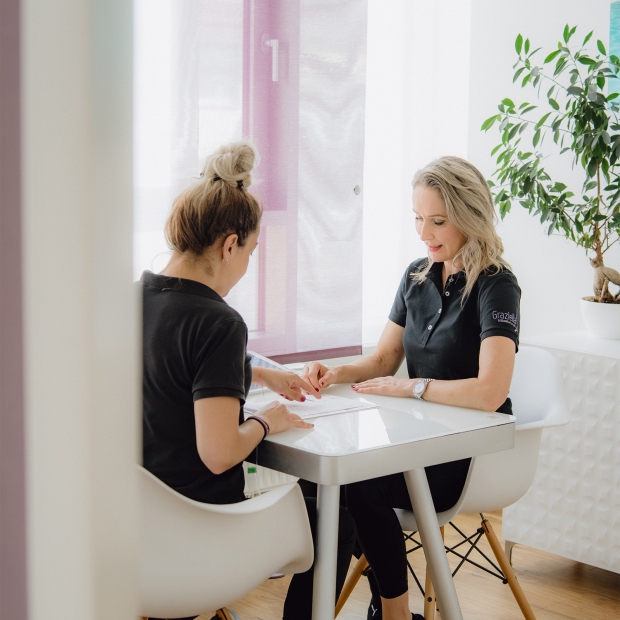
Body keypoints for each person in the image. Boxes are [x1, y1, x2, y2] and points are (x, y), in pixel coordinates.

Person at [141, 141, 356, 620]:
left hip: (132, 531)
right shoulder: (218, 322)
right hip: (201, 531)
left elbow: (166, 370)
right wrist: (266, 419)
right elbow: (218, 454)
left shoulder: (134, 299)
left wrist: (255, 372)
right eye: (252, 251)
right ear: (229, 244)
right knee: (337, 513)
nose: (247, 265)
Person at [303, 156, 521, 620]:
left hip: (461, 453)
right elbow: (385, 359)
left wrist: (414, 388)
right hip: (411, 438)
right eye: (419, 219)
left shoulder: (497, 286)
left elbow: (490, 392)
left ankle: (394, 614)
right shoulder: (416, 275)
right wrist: (336, 373)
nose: (425, 233)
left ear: (469, 215)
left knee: (359, 487)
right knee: (324, 483)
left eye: (438, 221)